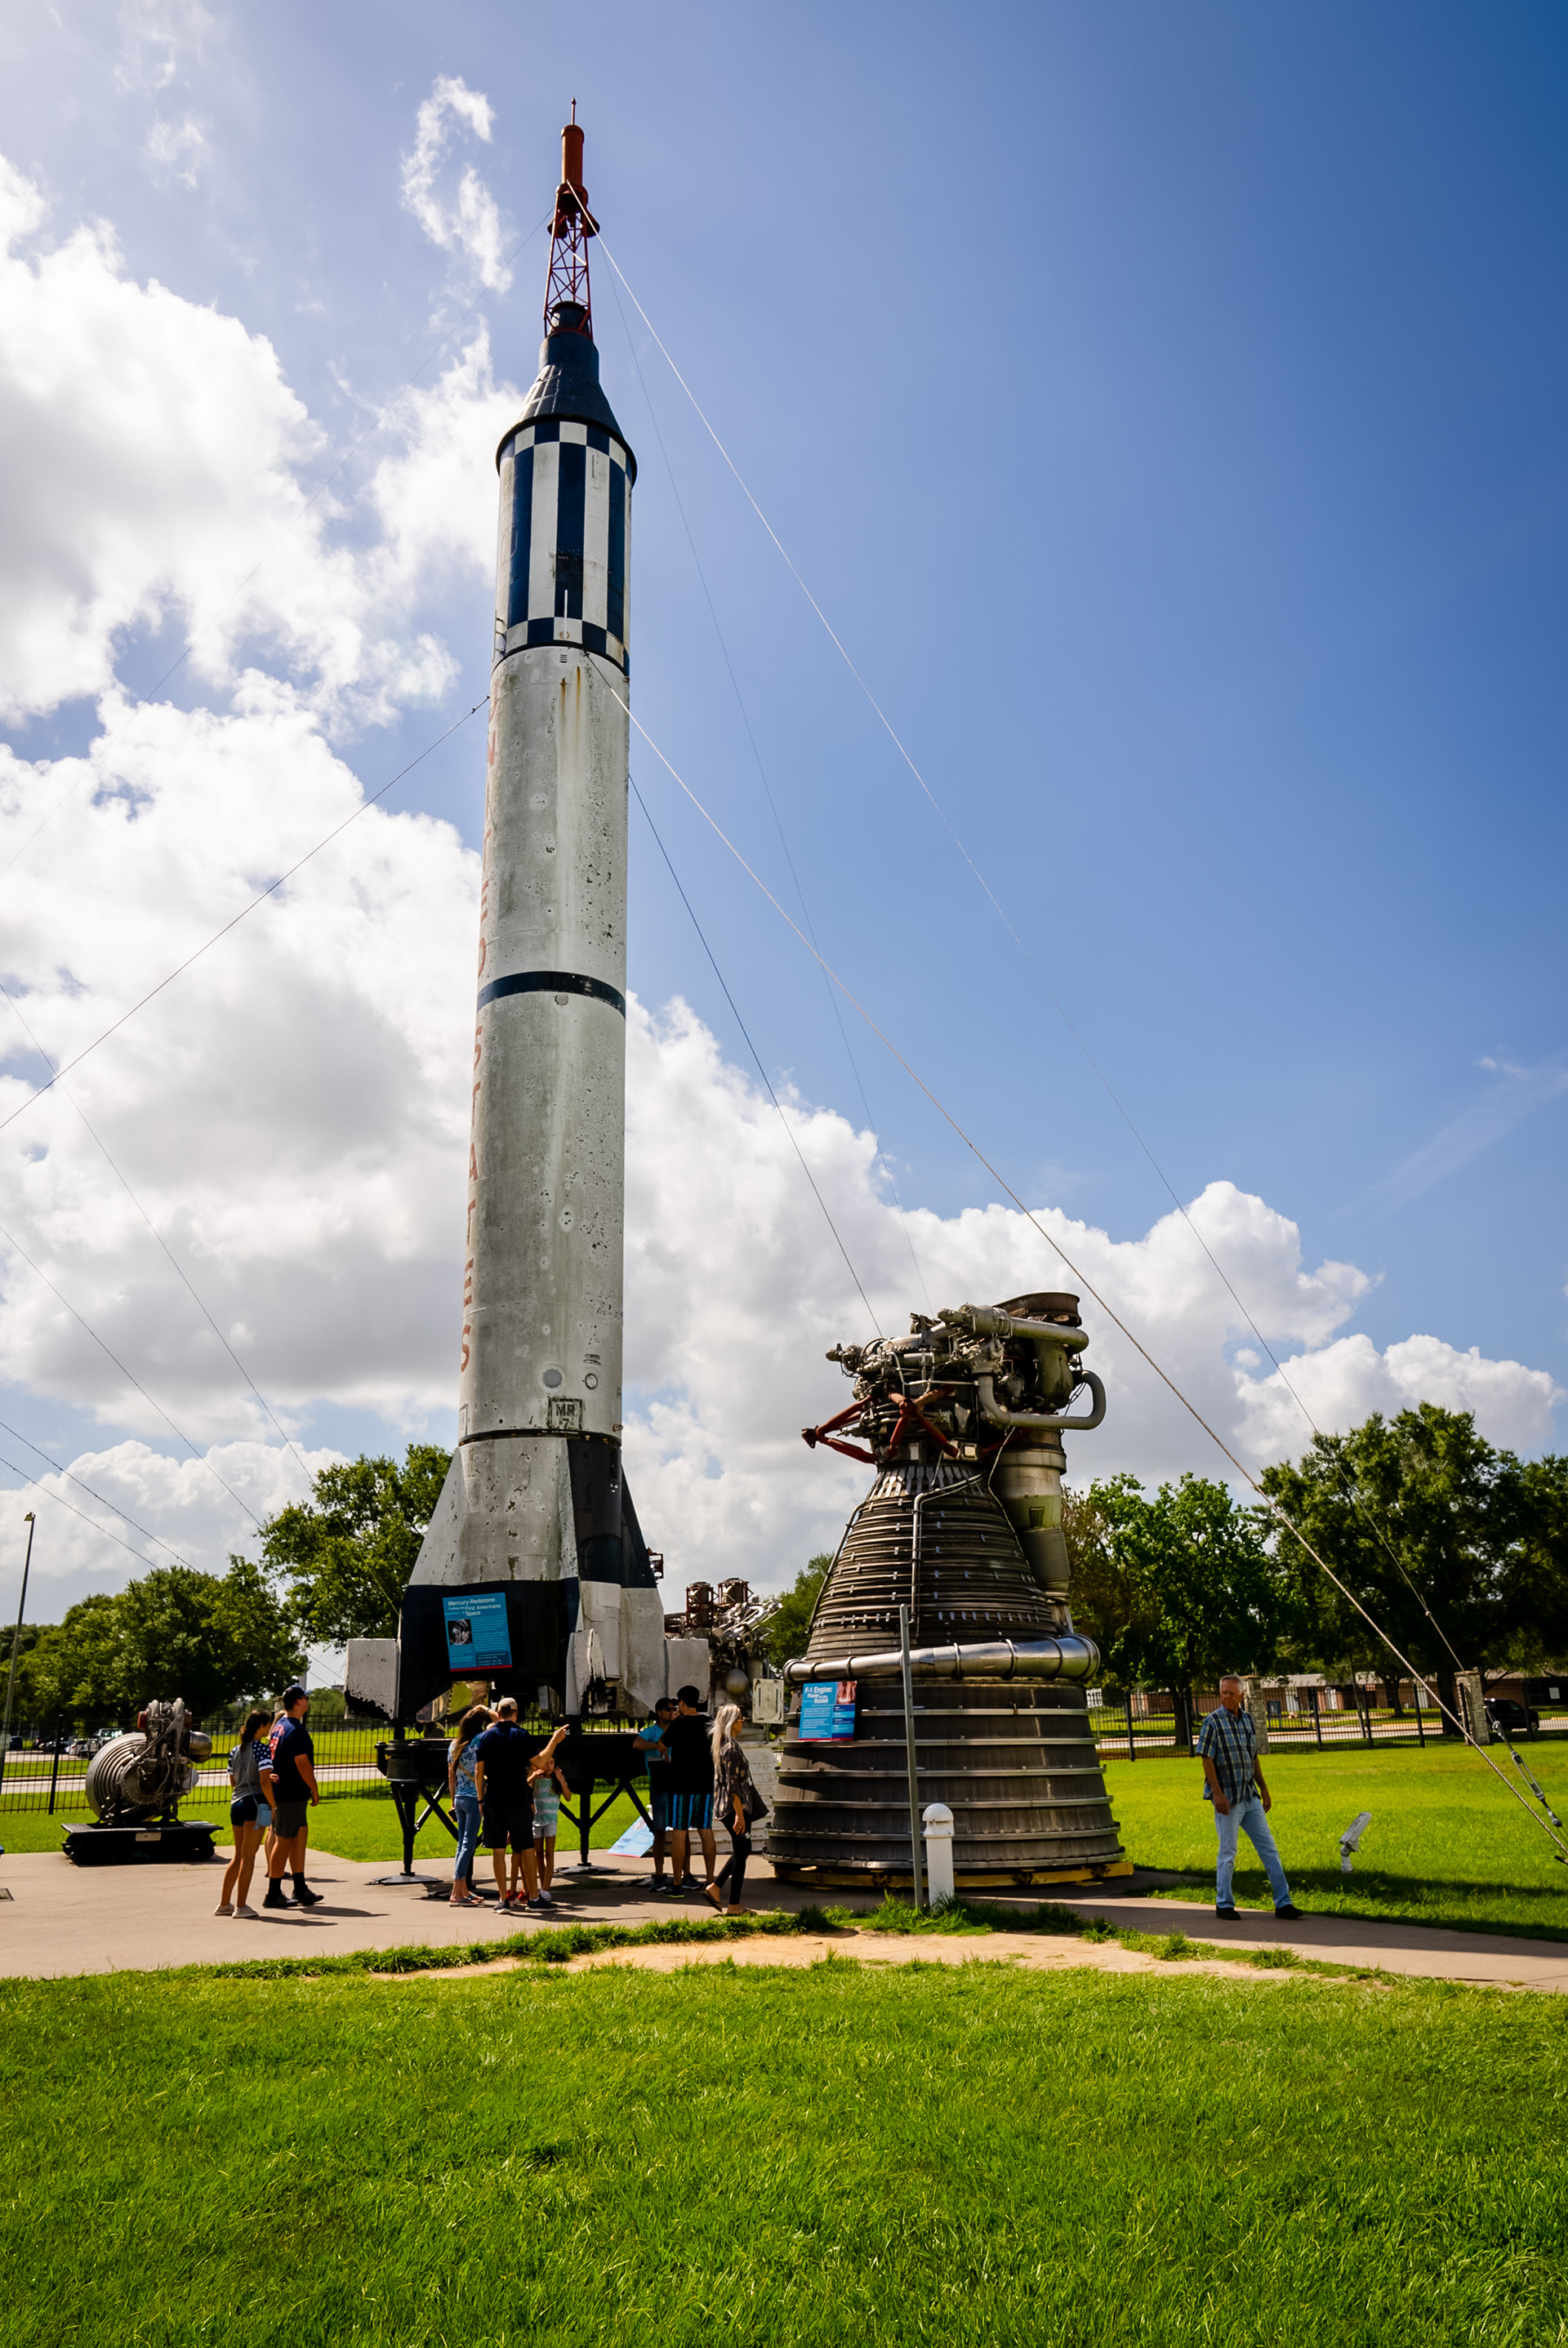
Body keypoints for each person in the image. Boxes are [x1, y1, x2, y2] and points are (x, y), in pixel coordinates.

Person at [1198, 1675, 1301, 1920]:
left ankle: (1283, 1903)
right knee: (1228, 1852)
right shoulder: (1212, 1722)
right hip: (1228, 1799)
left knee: (1269, 1849)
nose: (1227, 1697)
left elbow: (1253, 1756)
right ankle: (1224, 1904)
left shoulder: (1247, 1720)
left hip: (1249, 1796)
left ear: (1242, 1696)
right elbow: (1206, 1758)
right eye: (1223, 1693)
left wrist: (1263, 1788)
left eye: (1232, 1693)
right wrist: (1217, 1794)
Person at [473, 1696, 568, 1911]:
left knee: (498, 1850)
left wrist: (480, 1799)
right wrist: (554, 1740)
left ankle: (502, 1900)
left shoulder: (485, 1737)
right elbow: (540, 1762)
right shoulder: (521, 1735)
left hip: (493, 1799)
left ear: (499, 1713)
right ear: (516, 1714)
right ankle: (534, 1898)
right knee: (526, 1847)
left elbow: (479, 1772)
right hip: (517, 1799)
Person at [261, 1685, 322, 1910]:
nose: (308, 1701)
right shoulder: (296, 1730)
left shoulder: (279, 1727)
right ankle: (273, 1893)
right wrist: (314, 1789)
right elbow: (302, 1764)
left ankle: (300, 1887)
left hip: (285, 1791)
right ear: (298, 1702)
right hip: (290, 1793)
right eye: (305, 1698)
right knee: (284, 1840)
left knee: (298, 1837)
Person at [704, 1702, 764, 1917]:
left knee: (743, 1850)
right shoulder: (730, 1748)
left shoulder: (726, 1745)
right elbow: (732, 1786)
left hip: (731, 1807)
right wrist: (739, 1814)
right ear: (732, 1722)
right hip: (734, 1808)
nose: (743, 1721)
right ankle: (734, 1905)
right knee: (742, 1851)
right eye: (740, 1718)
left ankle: (717, 1888)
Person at [216, 1707, 273, 1918]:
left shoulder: (235, 1750)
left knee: (238, 1856)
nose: (269, 1729)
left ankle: (224, 1904)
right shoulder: (262, 1749)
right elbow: (265, 1781)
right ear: (262, 1726)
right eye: (268, 1725)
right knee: (249, 1858)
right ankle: (241, 1906)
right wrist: (274, 1806)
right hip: (255, 1804)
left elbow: (233, 1780)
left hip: (236, 1804)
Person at [663, 1684, 716, 1895]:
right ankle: (711, 1882)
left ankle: (677, 1883)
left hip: (682, 1784)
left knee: (680, 1831)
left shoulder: (678, 1724)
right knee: (705, 1830)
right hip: (705, 1782)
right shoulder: (710, 1723)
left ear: (682, 1702)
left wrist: (673, 1721)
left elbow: (661, 1746)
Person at [446, 1703, 492, 1908]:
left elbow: (451, 1776)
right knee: (468, 1844)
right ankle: (457, 1891)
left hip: (460, 1798)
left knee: (461, 1843)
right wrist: (485, 1708)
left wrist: (453, 1801)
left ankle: (463, 1889)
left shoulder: (453, 1745)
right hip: (474, 1798)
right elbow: (500, 1722)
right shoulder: (479, 1741)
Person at [632, 1696, 678, 1891]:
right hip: (659, 1786)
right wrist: (659, 1747)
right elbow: (637, 1744)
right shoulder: (652, 1732)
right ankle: (659, 1873)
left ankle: (683, 1874)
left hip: (677, 1786)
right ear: (659, 1712)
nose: (671, 1712)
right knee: (659, 1831)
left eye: (674, 1709)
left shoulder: (678, 1729)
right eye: (668, 1709)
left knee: (681, 1832)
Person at [531, 1752, 570, 1904]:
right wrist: (533, 1777)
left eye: (552, 1763)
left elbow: (568, 1797)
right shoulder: (536, 1779)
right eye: (546, 1762)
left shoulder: (556, 1780)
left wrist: (561, 1780)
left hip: (551, 1821)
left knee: (549, 1854)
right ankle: (542, 1886)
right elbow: (524, 1788)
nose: (548, 1766)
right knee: (538, 1855)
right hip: (536, 1821)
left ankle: (546, 1889)